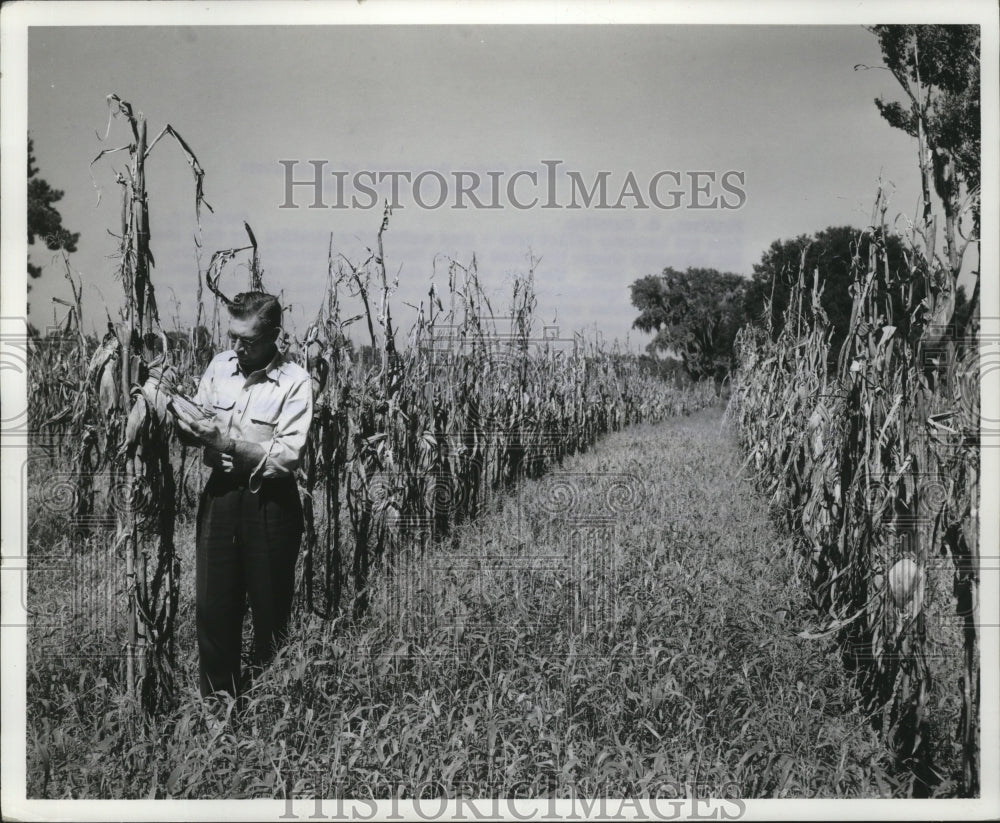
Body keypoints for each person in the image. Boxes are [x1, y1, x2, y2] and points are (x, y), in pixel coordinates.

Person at [173, 292, 313, 698]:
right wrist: (179, 417)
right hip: (220, 498)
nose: (236, 347)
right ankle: (219, 708)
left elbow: (287, 456)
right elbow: (199, 420)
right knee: (213, 607)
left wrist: (227, 443)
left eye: (247, 340)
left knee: (270, 610)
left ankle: (273, 704)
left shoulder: (296, 383)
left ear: (274, 336)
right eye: (231, 335)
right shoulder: (219, 365)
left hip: (270, 503)